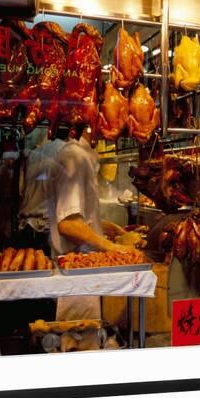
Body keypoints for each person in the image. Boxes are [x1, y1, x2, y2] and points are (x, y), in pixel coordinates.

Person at [46, 128, 134, 320]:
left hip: (83, 270)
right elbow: (68, 224)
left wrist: (106, 227)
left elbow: (78, 216)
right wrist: (111, 247)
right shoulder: (75, 157)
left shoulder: (80, 156)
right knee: (79, 339)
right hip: (77, 269)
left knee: (86, 335)